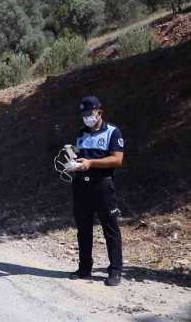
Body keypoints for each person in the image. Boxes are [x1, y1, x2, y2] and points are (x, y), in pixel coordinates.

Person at [69, 96, 125, 286]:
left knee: (110, 228)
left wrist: (91, 163)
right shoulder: (81, 133)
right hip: (81, 186)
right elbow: (78, 154)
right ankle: (84, 268)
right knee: (83, 229)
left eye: (89, 113)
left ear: (99, 111)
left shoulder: (113, 132)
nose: (86, 117)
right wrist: (72, 162)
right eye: (83, 114)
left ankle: (115, 270)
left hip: (102, 186)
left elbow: (117, 159)